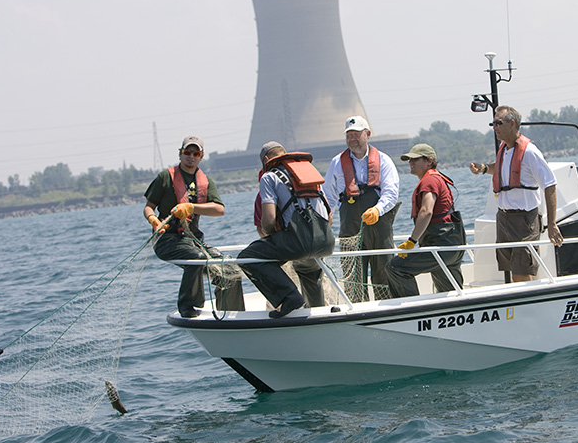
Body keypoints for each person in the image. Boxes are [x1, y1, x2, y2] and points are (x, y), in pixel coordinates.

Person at [143, 135, 245, 318]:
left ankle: (231, 312)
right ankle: (188, 306)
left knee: (230, 269)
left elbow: (219, 210)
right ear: (180, 154)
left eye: (195, 153)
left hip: (193, 240)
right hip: (167, 240)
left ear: (201, 156)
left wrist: (191, 207)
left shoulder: (205, 181)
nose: (191, 156)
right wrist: (153, 220)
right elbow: (149, 206)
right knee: (197, 258)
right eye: (187, 152)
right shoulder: (165, 177)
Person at [238, 142, 335, 318]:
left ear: (266, 160)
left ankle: (290, 297)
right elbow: (329, 219)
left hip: (298, 244)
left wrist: (272, 235)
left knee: (248, 257)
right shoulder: (308, 172)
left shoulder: (269, 177)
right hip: (326, 243)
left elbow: (268, 221)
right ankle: (319, 314)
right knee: (308, 268)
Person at [469, 106, 564, 282]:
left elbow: (550, 185)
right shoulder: (504, 149)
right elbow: (500, 169)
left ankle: (529, 307)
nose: (495, 127)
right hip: (503, 218)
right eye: (493, 124)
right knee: (510, 268)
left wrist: (552, 224)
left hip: (524, 220)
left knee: (522, 270)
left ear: (512, 124)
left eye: (498, 123)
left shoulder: (530, 152)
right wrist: (483, 168)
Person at [323, 116, 400, 300]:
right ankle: (357, 309)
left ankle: (386, 308)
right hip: (350, 229)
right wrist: (324, 218)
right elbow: (328, 197)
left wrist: (378, 210)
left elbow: (391, 193)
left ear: (368, 134)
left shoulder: (384, 160)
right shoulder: (336, 163)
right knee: (353, 275)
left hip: (379, 227)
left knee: (384, 271)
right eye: (349, 135)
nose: (352, 139)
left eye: (356, 134)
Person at [386, 144, 464, 298]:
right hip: (453, 245)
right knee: (449, 293)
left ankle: (411, 310)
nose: (411, 163)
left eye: (415, 159)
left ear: (429, 161)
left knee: (395, 268)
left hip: (441, 244)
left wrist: (412, 240)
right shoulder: (437, 178)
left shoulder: (429, 181)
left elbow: (427, 210)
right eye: (409, 160)